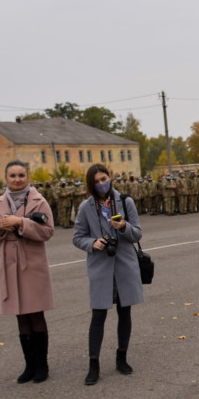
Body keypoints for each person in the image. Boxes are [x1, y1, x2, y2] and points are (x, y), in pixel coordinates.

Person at [72, 163, 144, 386]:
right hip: (100, 267)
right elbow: (77, 237)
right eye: (96, 181)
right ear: (91, 185)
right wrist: (93, 242)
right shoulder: (86, 207)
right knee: (98, 316)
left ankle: (122, 356)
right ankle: (94, 364)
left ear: (110, 177)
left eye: (103, 178)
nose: (101, 184)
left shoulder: (125, 201)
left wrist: (123, 227)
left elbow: (137, 233)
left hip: (124, 265)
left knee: (125, 313)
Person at [0, 160, 55, 384]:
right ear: (6, 178)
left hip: (31, 263)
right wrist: (0, 227)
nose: (17, 180)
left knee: (35, 314)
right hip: (9, 264)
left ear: (28, 177)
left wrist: (21, 222)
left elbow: (48, 231)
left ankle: (42, 365)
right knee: (20, 315)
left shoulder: (38, 200)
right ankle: (29, 365)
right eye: (12, 176)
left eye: (21, 175)